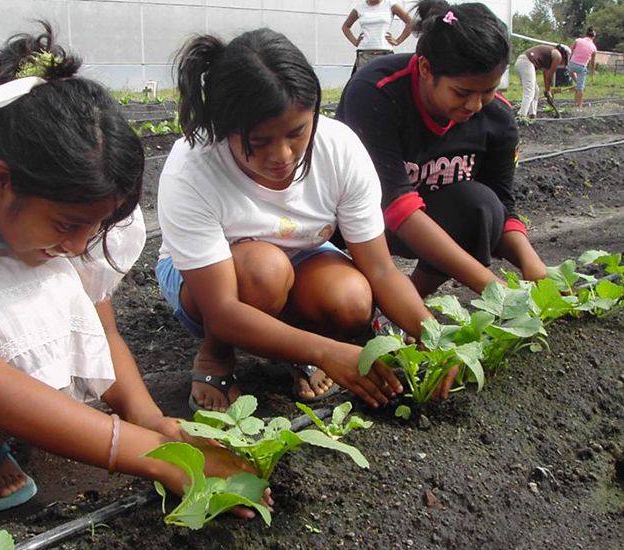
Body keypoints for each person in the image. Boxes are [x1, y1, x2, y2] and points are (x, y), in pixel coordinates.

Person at [0, 24, 266, 531]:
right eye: (66, 225)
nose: (78, 245)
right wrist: (154, 456)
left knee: (56, 290)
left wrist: (152, 422)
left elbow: (102, 330)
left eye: (93, 228)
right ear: (0, 179)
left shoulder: (63, 215)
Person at [156, 28, 448, 414]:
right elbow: (223, 309)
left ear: (314, 111)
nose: (282, 155)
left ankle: (296, 346)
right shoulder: (192, 167)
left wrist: (434, 336)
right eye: (258, 142)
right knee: (264, 271)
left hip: (302, 254)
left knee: (352, 300)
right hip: (209, 287)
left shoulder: (339, 148)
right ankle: (215, 357)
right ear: (225, 126)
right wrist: (327, 352)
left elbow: (380, 269)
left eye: (296, 133)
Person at [336, 0, 547, 299]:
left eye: (488, 91)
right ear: (425, 68)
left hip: (423, 219)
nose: (475, 106)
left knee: (481, 206)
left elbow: (502, 204)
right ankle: (375, 297)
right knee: (348, 303)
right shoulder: (377, 92)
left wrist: (534, 266)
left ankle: (407, 299)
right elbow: (395, 203)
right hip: (353, 221)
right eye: (462, 92)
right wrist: (494, 289)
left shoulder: (497, 117)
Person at [342, 0, 413, 74]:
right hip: (364, 54)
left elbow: (410, 23)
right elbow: (346, 27)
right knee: (363, 82)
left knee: (384, 82)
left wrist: (398, 41)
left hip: (385, 53)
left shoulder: (391, 5)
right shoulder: (359, 7)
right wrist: (355, 41)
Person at [515, 42, 571, 118]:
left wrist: (547, 89)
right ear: (564, 55)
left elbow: (546, 74)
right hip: (526, 62)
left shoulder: (550, 54)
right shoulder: (558, 56)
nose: (561, 63)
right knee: (529, 91)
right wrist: (548, 90)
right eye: (564, 61)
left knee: (536, 91)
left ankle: (532, 114)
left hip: (522, 62)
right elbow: (550, 75)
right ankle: (521, 115)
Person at [568, 26, 597, 109]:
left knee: (573, 76)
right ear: (593, 37)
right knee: (580, 88)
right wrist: (592, 74)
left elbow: (570, 50)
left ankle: (575, 101)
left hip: (571, 65)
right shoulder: (594, 48)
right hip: (581, 67)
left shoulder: (578, 40)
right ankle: (579, 107)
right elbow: (592, 63)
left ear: (586, 34)